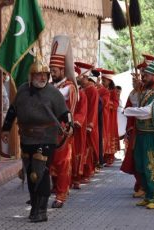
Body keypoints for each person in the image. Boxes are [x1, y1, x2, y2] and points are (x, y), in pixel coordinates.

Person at [1, 54, 71, 223]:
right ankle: (34, 207)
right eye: (38, 75)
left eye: (45, 75)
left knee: (40, 172)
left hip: (47, 137)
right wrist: (5, 129)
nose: (42, 78)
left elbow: (64, 112)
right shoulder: (23, 90)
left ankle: (42, 210)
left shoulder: (53, 93)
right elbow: (13, 110)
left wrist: (69, 124)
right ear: (31, 76)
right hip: (26, 138)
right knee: (30, 172)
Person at [124, 61, 154, 209]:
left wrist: (127, 111)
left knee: (151, 165)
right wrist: (136, 89)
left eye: (146, 75)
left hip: (151, 135)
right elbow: (136, 102)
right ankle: (147, 194)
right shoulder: (146, 92)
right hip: (141, 134)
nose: (143, 77)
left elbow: (147, 112)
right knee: (140, 165)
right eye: (143, 75)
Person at [48, 35, 78, 208]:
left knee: (62, 162)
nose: (52, 72)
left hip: (63, 130)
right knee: (49, 161)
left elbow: (61, 99)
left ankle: (61, 195)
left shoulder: (69, 87)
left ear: (62, 70)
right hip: (47, 130)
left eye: (55, 70)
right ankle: (51, 189)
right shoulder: (51, 86)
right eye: (51, 69)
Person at [75, 62, 99, 184]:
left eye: (78, 76)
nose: (76, 78)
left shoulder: (92, 90)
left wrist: (90, 125)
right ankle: (80, 173)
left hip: (89, 125)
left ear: (84, 77)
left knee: (88, 150)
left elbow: (93, 109)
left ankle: (87, 173)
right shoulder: (81, 89)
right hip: (81, 124)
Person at [71, 65, 88, 189]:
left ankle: (76, 178)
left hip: (77, 128)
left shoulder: (81, 94)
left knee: (77, 152)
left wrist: (75, 121)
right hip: (64, 128)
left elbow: (82, 111)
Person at [100, 69, 120, 167]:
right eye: (102, 80)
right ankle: (103, 156)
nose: (102, 82)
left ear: (109, 81)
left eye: (104, 80)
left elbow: (116, 104)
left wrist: (108, 103)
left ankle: (110, 157)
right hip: (104, 115)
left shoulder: (114, 91)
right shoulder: (101, 90)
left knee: (110, 135)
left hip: (111, 117)